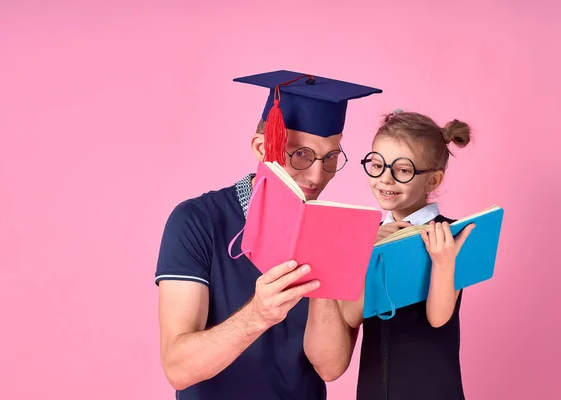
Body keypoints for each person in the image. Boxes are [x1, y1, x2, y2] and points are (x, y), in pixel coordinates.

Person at [154, 69, 382, 400]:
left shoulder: (337, 230)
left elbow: (330, 368)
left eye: (330, 157)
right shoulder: (196, 221)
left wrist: (323, 262)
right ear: (263, 148)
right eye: (301, 154)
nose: (318, 175)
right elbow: (178, 368)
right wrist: (257, 315)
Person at [303, 109, 476, 399]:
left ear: (432, 181)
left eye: (403, 170)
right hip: (375, 389)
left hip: (429, 389)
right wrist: (361, 254)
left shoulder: (447, 237)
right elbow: (352, 315)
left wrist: (444, 262)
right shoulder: (372, 237)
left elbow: (438, 318)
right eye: (377, 165)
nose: (385, 179)